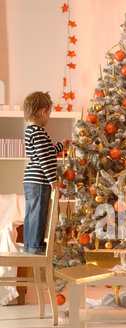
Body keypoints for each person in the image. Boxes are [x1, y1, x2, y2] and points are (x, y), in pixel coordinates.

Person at [23, 91, 71, 254]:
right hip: (39, 181)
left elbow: (47, 152)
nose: (49, 116)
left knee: (31, 213)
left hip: (31, 179)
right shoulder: (38, 132)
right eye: (49, 112)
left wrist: (60, 145)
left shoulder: (31, 131)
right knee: (38, 213)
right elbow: (45, 158)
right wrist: (52, 180)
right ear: (43, 111)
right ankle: (35, 246)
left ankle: (29, 245)